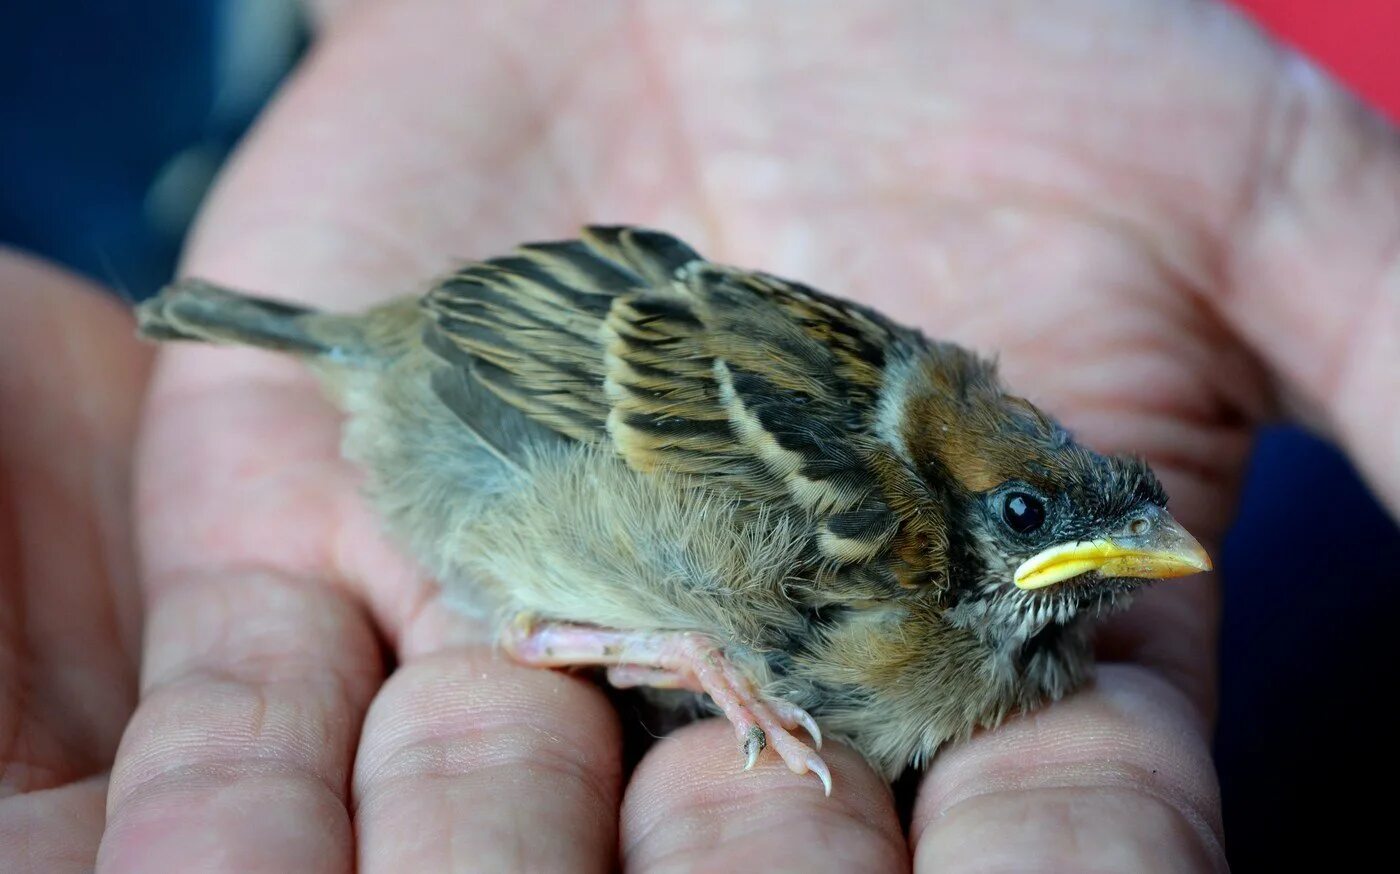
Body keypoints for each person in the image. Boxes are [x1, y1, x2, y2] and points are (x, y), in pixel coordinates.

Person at [2, 1, 1395, 870]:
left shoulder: (956, 474)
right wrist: (679, 647)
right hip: (488, 407)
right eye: (1028, 518)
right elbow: (569, 367)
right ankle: (560, 631)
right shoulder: (852, 515)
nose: (1085, 555)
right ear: (954, 501)